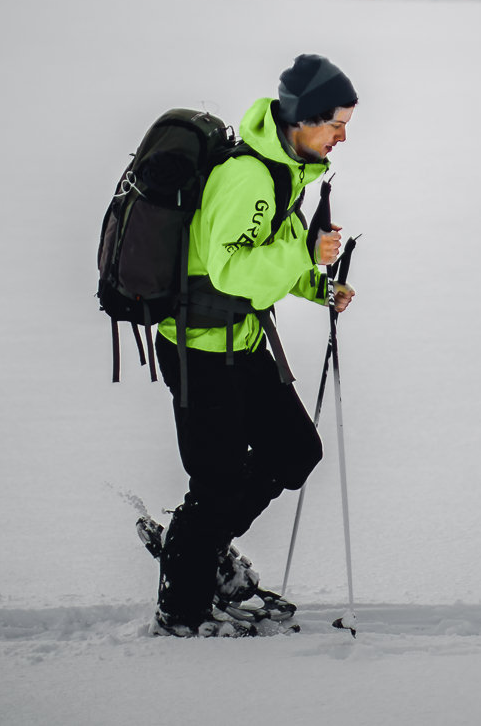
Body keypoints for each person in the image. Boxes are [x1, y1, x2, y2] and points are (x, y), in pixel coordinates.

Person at [152, 52, 358, 636]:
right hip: (198, 350)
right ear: (301, 118)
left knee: (294, 452)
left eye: (346, 126)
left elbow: (268, 263)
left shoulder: (284, 170)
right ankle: (182, 611)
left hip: (238, 341)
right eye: (335, 124)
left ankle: (200, 545)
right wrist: (302, 254)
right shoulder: (249, 177)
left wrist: (317, 284)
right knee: (215, 484)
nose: (341, 137)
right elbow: (227, 271)